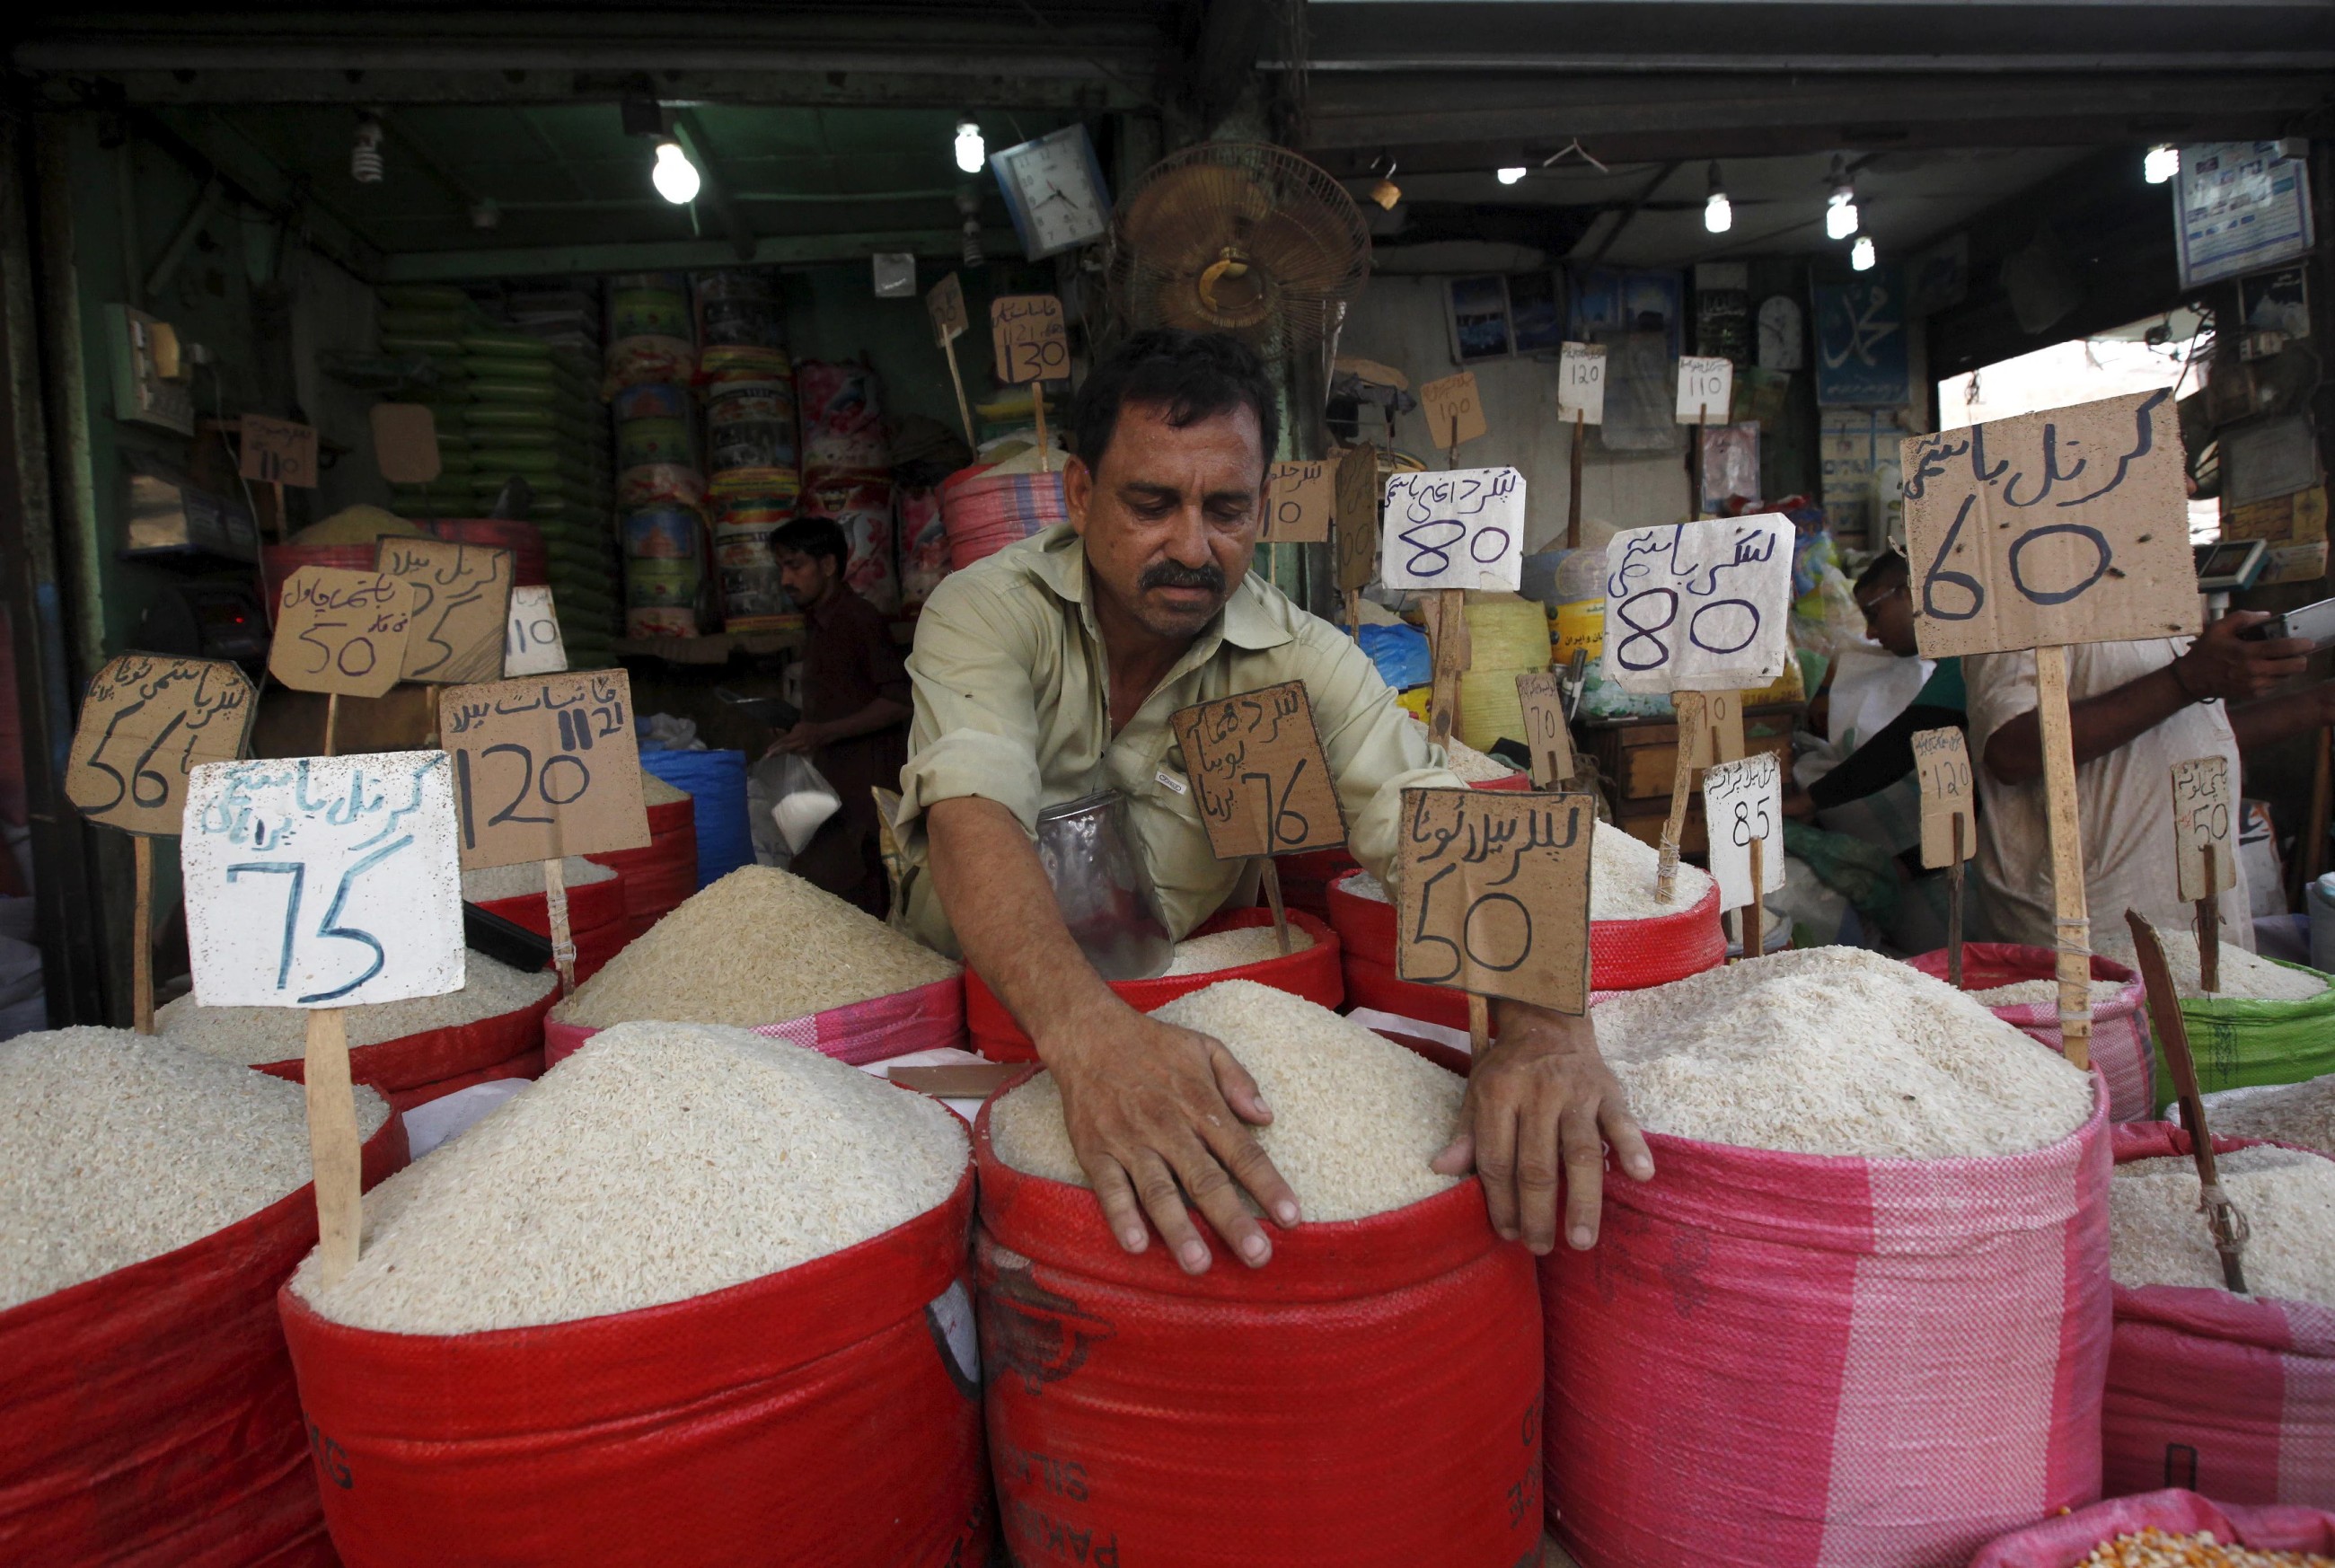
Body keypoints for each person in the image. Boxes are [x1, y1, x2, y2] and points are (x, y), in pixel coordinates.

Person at [894, 329, 1652, 1275]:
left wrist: (1545, 1027)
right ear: (1080, 493)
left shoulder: (1298, 659)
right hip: (965, 1032)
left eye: (1226, 509)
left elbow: (1430, 815)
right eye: (1150, 504)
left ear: (1260, 505)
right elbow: (972, 813)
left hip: (1174, 1036)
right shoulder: (985, 612)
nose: (1191, 547)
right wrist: (1089, 1039)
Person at [1967, 611, 2335, 950]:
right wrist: (2188, 679)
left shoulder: (2158, 589)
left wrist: (2318, 705)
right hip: (2091, 930)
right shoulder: (2026, 588)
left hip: (2189, 913)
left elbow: (2181, 738)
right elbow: (2010, 750)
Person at [765, 515, 911, 917]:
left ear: (828, 565)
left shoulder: (858, 619)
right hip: (832, 793)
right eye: (781, 568)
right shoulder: (818, 625)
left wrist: (822, 733)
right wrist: (796, 726)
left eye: (795, 566)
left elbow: (899, 702)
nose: (786, 579)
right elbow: (842, 700)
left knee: (861, 909)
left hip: (864, 801)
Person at [1785, 551, 1968, 822]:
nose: (1870, 632)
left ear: (1909, 594)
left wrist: (1806, 802)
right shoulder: (1954, 658)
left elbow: (1900, 745)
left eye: (1873, 613)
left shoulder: (1965, 658)